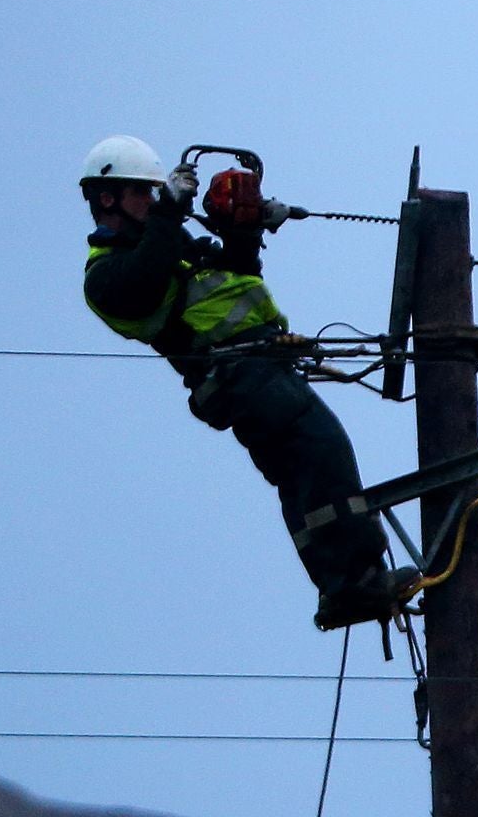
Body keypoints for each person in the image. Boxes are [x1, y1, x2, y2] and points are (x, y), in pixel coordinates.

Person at [77, 135, 401, 628]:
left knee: (307, 465)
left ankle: (350, 586)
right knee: (321, 448)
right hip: (234, 374)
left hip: (259, 366)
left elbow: (235, 276)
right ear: (108, 198)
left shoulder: (169, 243)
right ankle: (355, 582)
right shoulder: (105, 276)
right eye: (141, 193)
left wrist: (244, 233)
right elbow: (143, 286)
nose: (151, 201)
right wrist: (167, 212)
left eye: (152, 192)